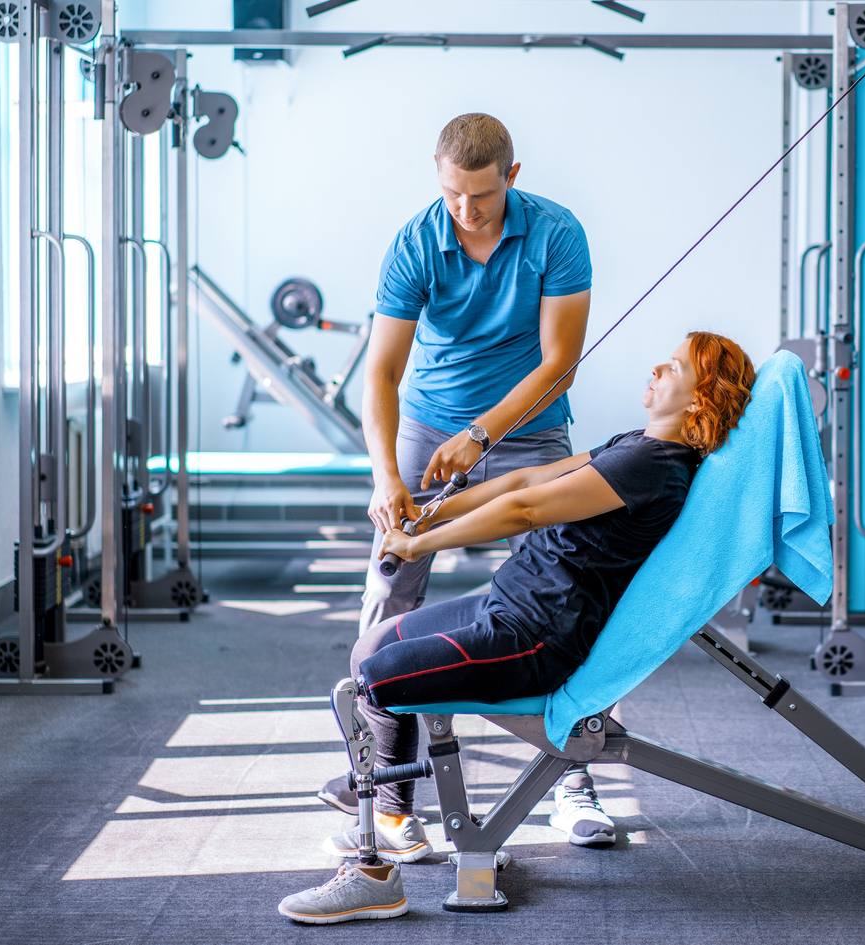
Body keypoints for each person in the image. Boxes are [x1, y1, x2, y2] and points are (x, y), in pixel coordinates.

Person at [279, 332, 757, 924]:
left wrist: (417, 543)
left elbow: (525, 513)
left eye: (677, 366)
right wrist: (428, 507)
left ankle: (375, 873)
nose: (658, 366)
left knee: (375, 680)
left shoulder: (653, 465)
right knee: (372, 645)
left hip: (534, 636)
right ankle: (396, 819)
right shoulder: (636, 443)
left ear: (699, 399)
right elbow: (526, 482)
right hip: (508, 603)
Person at [315, 113, 612, 855]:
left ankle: (575, 777)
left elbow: (558, 365)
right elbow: (380, 373)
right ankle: (384, 787)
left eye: (480, 197)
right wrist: (387, 475)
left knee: (574, 584)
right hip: (424, 428)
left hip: (529, 430)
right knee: (389, 580)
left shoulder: (555, 233)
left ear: (511, 177)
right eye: (452, 195)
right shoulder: (416, 241)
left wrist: (483, 432)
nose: (466, 212)